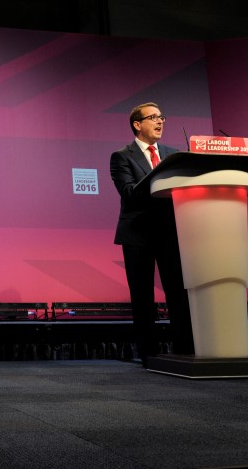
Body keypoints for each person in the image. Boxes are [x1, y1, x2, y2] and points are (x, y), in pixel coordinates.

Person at [110, 102, 194, 367]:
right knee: (143, 296)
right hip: (138, 233)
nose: (160, 122)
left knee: (179, 294)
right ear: (138, 124)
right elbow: (129, 193)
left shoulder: (174, 154)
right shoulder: (121, 156)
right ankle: (149, 353)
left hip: (170, 232)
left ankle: (186, 350)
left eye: (162, 117)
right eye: (153, 117)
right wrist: (161, 174)